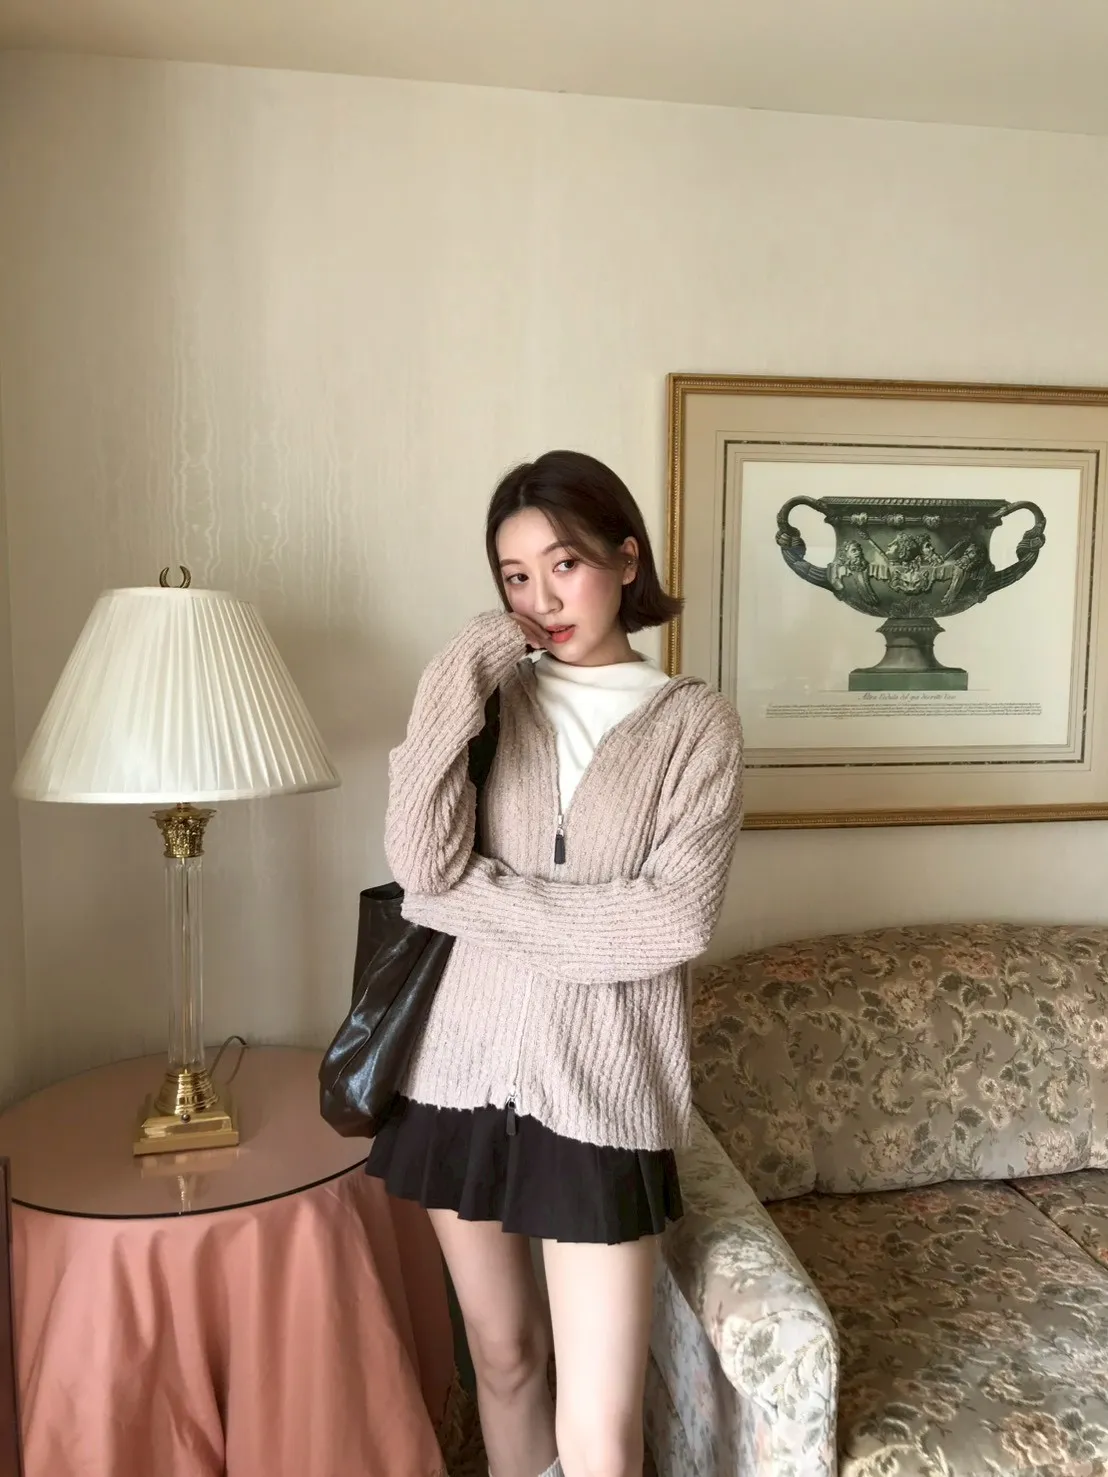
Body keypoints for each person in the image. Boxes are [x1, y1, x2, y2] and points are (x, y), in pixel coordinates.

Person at [365, 450, 743, 1477]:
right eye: (515, 577)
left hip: (602, 1095)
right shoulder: (494, 699)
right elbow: (420, 863)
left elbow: (671, 922)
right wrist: (463, 662)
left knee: (600, 1425)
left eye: (564, 564)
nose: (541, 599)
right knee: (502, 1360)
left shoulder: (694, 724)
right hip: (456, 1077)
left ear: (626, 558)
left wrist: (476, 900)